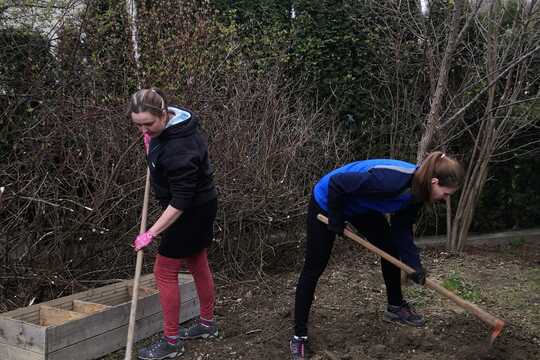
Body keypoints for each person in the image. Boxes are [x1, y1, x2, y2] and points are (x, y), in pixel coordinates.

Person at [289, 152, 464, 360]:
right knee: (314, 267)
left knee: (390, 248)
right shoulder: (391, 181)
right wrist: (335, 218)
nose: (445, 199)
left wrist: (414, 266)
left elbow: (402, 229)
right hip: (329, 200)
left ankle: (395, 306)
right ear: (434, 181)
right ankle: (299, 336)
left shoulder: (418, 194)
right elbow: (337, 183)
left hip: (359, 206)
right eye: (446, 193)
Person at [127, 87, 219, 360]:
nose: (144, 130)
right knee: (197, 262)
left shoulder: (179, 148)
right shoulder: (172, 124)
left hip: (189, 211)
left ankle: (171, 341)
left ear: (164, 115)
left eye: (149, 124)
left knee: (164, 271)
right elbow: (158, 146)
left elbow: (180, 201)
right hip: (200, 204)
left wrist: (151, 233)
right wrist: (152, 145)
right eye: (138, 125)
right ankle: (206, 324)